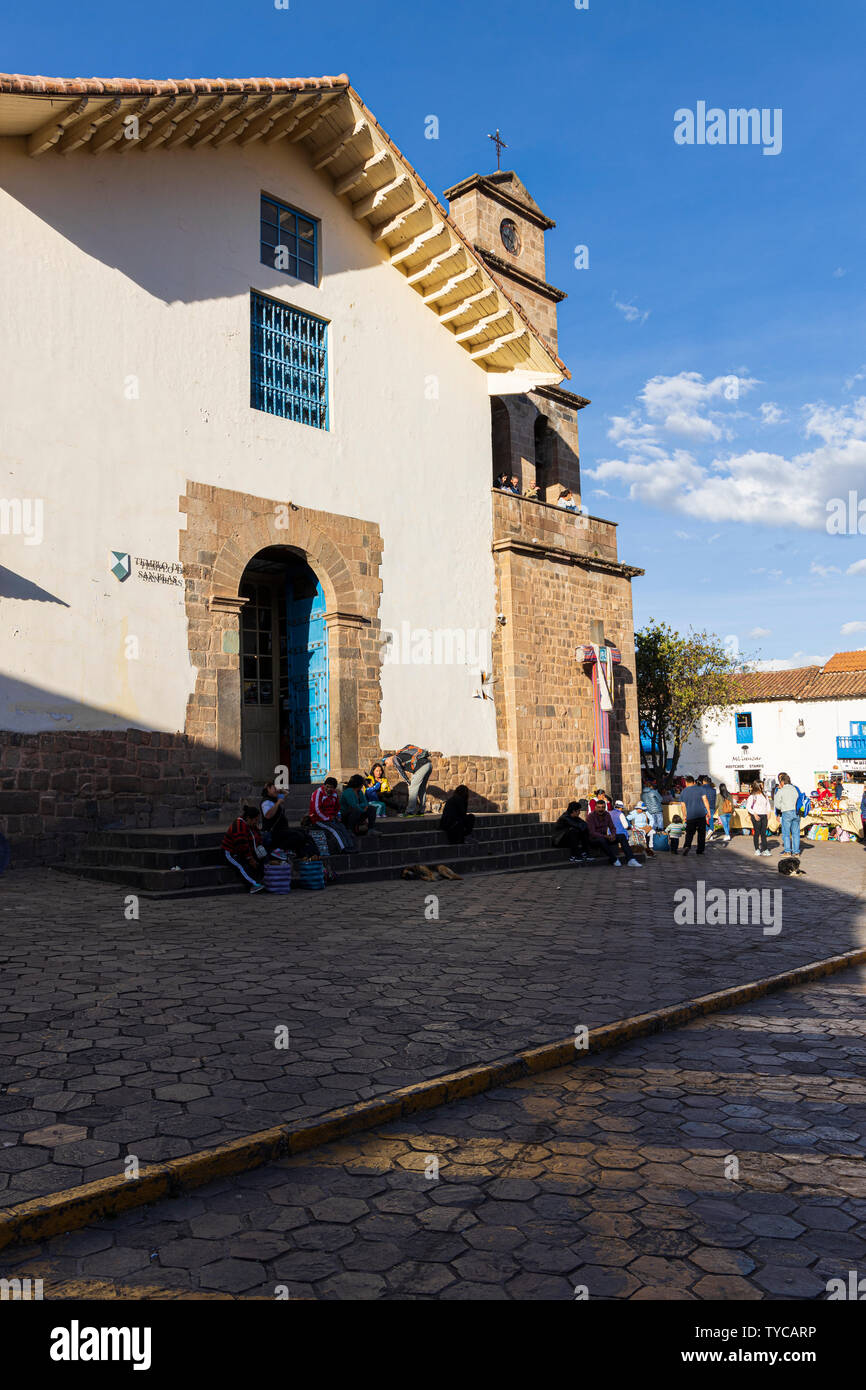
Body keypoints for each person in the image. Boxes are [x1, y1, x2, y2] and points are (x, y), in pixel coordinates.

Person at [554, 800, 618, 864]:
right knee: (573, 831)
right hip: (559, 841)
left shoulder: (575, 817)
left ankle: (585, 853)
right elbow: (578, 825)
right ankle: (574, 855)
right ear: (574, 811)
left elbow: (584, 824)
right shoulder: (565, 818)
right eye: (578, 811)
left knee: (584, 829)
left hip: (569, 840)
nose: (579, 813)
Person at [222, 805, 267, 893]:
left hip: (242, 851)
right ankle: (253, 885)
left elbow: (257, 837)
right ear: (249, 818)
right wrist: (250, 859)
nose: (257, 822)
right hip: (230, 852)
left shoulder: (251, 825)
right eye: (255, 820)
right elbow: (241, 845)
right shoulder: (239, 825)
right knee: (240, 866)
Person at [586, 799, 642, 867]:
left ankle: (631, 859)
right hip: (594, 839)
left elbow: (612, 827)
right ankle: (614, 859)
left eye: (603, 807)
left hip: (605, 837)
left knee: (622, 836)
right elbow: (592, 832)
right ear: (595, 807)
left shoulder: (607, 814)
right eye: (599, 807)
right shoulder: (590, 816)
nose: (601, 809)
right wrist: (605, 836)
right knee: (602, 840)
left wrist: (613, 835)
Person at [308, 778, 356, 852]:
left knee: (342, 827)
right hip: (318, 819)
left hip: (331, 818)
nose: (329, 789)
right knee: (334, 830)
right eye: (327, 787)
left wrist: (338, 816)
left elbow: (337, 807)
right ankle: (343, 848)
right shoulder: (318, 793)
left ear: (334, 788)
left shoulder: (334, 794)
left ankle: (350, 846)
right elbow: (317, 810)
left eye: (331, 787)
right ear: (324, 786)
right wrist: (328, 818)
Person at [391, 744, 433, 816]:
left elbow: (400, 770)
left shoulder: (394, 758)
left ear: (388, 758)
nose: (387, 765)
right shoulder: (402, 755)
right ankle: (421, 811)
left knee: (412, 788)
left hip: (422, 766)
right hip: (428, 765)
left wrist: (408, 781)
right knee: (421, 788)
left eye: (386, 763)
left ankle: (410, 811)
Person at [680, 775, 710, 855]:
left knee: (689, 833)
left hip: (690, 816)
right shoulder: (701, 789)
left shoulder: (683, 791)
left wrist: (684, 815)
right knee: (701, 833)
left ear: (686, 783)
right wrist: (709, 811)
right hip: (701, 814)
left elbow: (683, 805)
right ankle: (700, 850)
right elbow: (705, 800)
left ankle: (687, 845)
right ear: (693, 782)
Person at [774, 772, 800, 857]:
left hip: (786, 812)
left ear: (782, 782)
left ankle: (787, 851)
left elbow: (777, 804)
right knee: (796, 833)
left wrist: (782, 807)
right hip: (796, 812)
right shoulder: (795, 789)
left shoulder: (781, 790)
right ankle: (796, 852)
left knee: (786, 833)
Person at [745, 780, 772, 856]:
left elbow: (768, 805)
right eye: (761, 785)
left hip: (764, 815)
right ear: (757, 786)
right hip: (756, 816)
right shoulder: (752, 796)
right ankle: (757, 849)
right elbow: (748, 807)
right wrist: (754, 814)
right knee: (756, 833)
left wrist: (768, 812)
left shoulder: (764, 795)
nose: (763, 787)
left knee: (763, 833)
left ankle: (765, 849)